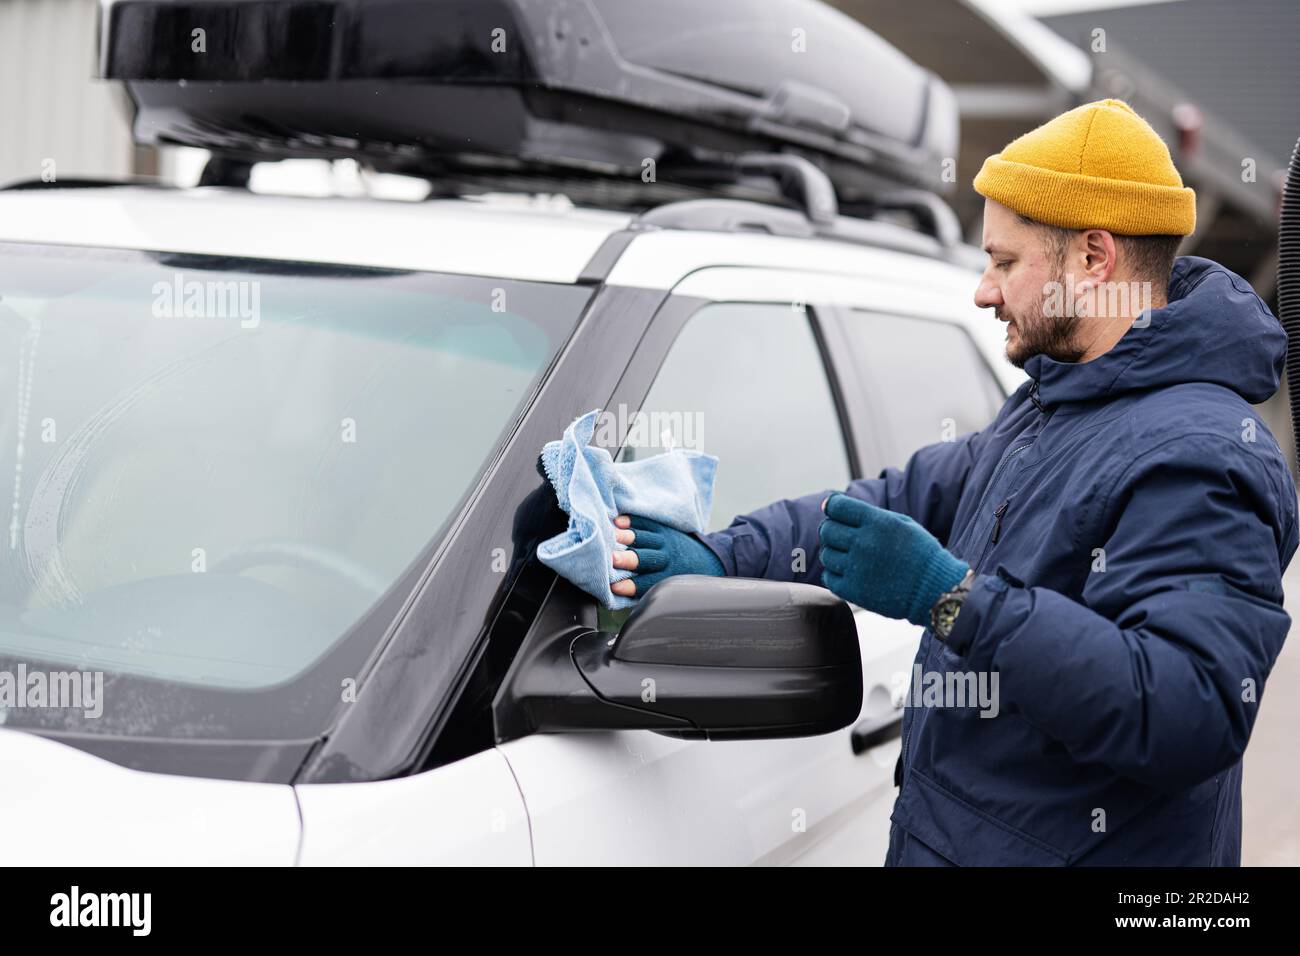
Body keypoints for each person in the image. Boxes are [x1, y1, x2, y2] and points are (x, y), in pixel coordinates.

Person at [607, 99, 1297, 866]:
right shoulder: (1053, 402)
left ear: (1094, 259)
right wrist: (724, 557)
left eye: (1004, 261)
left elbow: (1186, 713)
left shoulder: (1205, 455)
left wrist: (953, 599)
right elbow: (898, 501)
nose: (982, 290)